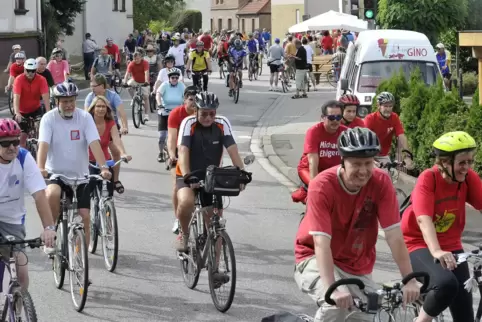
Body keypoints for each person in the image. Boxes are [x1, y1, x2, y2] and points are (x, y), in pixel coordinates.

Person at [294, 127, 421, 322]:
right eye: (356, 164)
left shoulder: (381, 182)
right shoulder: (322, 185)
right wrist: (332, 288)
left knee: (369, 314)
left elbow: (394, 236)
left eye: (368, 163)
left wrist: (410, 280)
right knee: (336, 306)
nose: (363, 171)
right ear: (343, 162)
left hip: (356, 265)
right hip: (313, 256)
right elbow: (321, 243)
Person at [401, 131, 482, 322]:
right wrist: (436, 251)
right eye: (462, 163)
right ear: (445, 162)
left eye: (470, 162)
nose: (467, 167)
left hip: (451, 245)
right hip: (417, 243)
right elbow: (423, 219)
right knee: (446, 284)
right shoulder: (428, 179)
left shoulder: (467, 178)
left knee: (465, 315)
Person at [37, 81, 111, 256]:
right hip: (57, 173)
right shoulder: (49, 118)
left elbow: (94, 143)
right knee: (52, 194)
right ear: (57, 102)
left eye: (71, 101)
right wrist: (41, 167)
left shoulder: (85, 118)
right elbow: (43, 145)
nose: (69, 105)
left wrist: (103, 167)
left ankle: (82, 259)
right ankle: (51, 234)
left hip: (81, 175)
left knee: (85, 215)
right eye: (64, 101)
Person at [175, 92, 245, 252]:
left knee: (216, 224)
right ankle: (184, 234)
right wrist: (187, 176)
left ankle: (216, 269)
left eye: (212, 114)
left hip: (211, 176)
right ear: (196, 111)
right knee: (186, 202)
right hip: (188, 173)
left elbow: (233, 150)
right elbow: (183, 151)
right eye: (204, 114)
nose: (208, 118)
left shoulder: (222, 123)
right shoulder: (188, 123)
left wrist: (242, 173)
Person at [0, 118, 56, 289]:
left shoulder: (24, 158)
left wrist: (49, 228)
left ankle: (18, 309)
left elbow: (39, 194)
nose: (12, 147)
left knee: (22, 274)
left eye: (16, 141)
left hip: (13, 221)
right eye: (5, 143)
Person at [292, 101, 347, 204]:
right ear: (323, 117)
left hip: (334, 172)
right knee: (318, 192)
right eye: (331, 118)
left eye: (338, 117)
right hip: (309, 169)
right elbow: (313, 162)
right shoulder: (313, 132)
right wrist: (315, 187)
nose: (335, 121)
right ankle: (306, 196)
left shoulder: (346, 133)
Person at [84, 74, 129, 192]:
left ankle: (116, 179)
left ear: (103, 86)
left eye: (94, 86)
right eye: (91, 85)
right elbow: (85, 114)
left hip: (110, 123)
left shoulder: (113, 96)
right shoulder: (90, 97)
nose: (92, 88)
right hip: (93, 125)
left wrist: (124, 126)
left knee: (115, 151)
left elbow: (122, 112)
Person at [166, 86, 197, 236]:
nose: (194, 103)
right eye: (191, 99)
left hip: (197, 155)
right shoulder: (176, 114)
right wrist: (172, 154)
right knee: (176, 186)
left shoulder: (203, 114)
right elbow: (171, 138)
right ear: (184, 100)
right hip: (179, 154)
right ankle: (178, 218)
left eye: (197, 100)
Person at [364, 92, 414, 169]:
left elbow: (401, 136)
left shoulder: (394, 117)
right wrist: (370, 158)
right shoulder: (370, 119)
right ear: (378, 106)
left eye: (390, 106)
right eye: (385, 106)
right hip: (368, 154)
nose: (388, 109)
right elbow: (364, 140)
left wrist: (407, 156)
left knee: (388, 177)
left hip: (383, 155)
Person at [13, 59, 50, 148]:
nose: (30, 73)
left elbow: (45, 97)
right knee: (22, 138)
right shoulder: (19, 79)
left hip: (35, 109)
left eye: (33, 71)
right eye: (28, 70)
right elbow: (16, 97)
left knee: (42, 130)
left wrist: (49, 112)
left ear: (36, 70)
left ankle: (40, 150)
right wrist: (17, 112)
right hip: (22, 111)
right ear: (24, 69)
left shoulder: (41, 79)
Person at [156, 68, 185, 162]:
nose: (175, 79)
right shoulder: (164, 85)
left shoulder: (181, 85)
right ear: (169, 78)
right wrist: (159, 104)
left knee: (178, 135)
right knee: (162, 136)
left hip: (177, 114)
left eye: (177, 78)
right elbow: (158, 95)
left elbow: (187, 96)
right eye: (173, 77)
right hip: (164, 112)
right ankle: (160, 153)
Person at [123, 51, 150, 123]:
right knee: (128, 87)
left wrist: (147, 81)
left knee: (146, 97)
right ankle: (134, 98)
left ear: (141, 57)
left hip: (144, 81)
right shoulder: (131, 64)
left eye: (138, 58)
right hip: (135, 80)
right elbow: (127, 74)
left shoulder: (145, 63)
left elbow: (146, 72)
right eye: (135, 59)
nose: (136, 60)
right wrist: (125, 82)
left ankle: (146, 115)